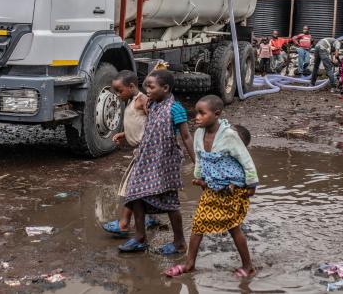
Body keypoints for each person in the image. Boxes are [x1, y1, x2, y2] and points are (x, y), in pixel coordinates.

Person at [164, 95, 258, 278]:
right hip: (212, 189)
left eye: (201, 113)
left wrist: (252, 184)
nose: (196, 117)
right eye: (196, 113)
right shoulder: (199, 133)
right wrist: (199, 178)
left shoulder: (229, 136)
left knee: (233, 227)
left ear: (216, 114)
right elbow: (200, 159)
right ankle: (189, 264)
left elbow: (246, 160)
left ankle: (248, 266)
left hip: (231, 189)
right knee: (198, 224)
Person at [119, 70, 195, 254]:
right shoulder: (152, 104)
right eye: (146, 86)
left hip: (165, 162)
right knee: (134, 194)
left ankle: (179, 242)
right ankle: (140, 237)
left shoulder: (175, 109)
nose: (147, 90)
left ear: (166, 88)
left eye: (151, 87)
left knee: (169, 200)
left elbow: (185, 136)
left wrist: (198, 163)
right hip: (145, 159)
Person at [101, 71, 158, 236]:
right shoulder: (133, 101)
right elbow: (139, 124)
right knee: (145, 188)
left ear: (132, 86)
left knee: (131, 187)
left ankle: (124, 224)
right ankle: (151, 218)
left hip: (146, 152)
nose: (118, 96)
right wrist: (124, 134)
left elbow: (154, 123)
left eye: (120, 91)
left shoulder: (142, 100)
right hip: (140, 152)